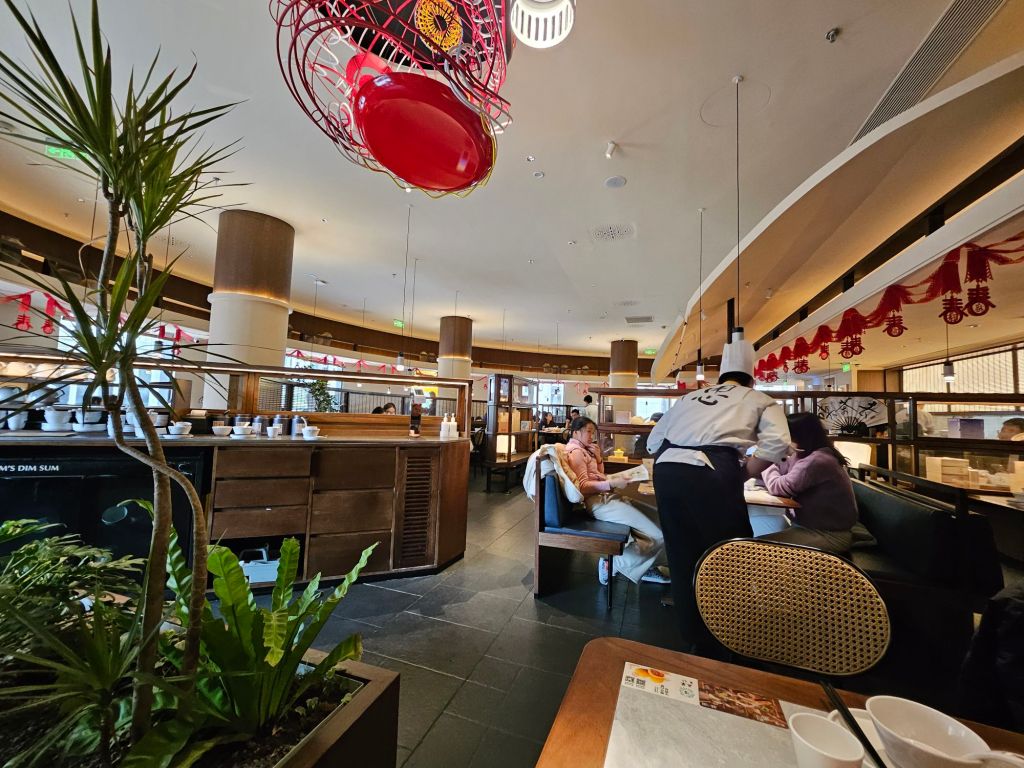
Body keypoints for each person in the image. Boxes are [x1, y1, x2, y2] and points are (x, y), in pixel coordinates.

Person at [647, 330, 791, 656]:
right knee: (729, 554)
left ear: (721, 376)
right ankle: (729, 637)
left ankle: (693, 634)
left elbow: (654, 442)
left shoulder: (689, 398)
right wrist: (743, 473)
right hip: (711, 472)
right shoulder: (758, 399)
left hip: (667, 470)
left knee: (681, 553)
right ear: (750, 379)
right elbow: (778, 443)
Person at [564, 416, 668, 585]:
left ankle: (644, 566)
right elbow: (582, 487)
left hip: (605, 498)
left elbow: (597, 475)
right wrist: (611, 483)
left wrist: (598, 459)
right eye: (588, 432)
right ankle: (612, 564)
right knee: (657, 534)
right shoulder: (575, 452)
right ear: (575, 432)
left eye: (593, 432)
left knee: (659, 521)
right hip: (597, 503)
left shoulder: (585, 450)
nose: (592, 436)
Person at [758, 412, 858, 554]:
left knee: (754, 549)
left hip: (829, 535)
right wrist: (773, 459)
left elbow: (777, 487)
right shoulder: (803, 454)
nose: (782, 439)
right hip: (808, 527)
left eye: (786, 435)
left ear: (800, 435)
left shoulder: (817, 461)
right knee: (753, 539)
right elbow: (782, 471)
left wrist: (765, 460)